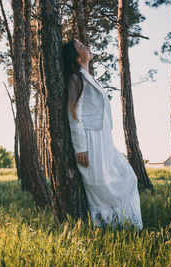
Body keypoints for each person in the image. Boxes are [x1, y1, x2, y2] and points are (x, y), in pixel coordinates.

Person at [62, 39, 143, 230]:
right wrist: (81, 148)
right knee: (102, 187)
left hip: (104, 141)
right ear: (76, 57)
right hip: (91, 144)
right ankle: (108, 229)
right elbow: (74, 116)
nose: (87, 48)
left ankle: (125, 225)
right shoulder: (75, 79)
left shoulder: (87, 77)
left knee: (128, 177)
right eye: (82, 47)